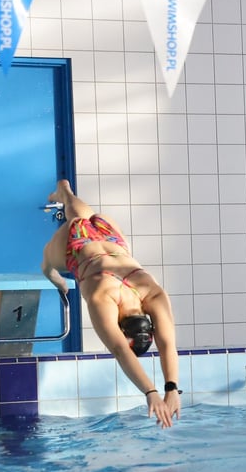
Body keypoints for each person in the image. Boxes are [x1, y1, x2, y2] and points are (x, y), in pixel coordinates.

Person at [41, 180, 182, 427]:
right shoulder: (101, 297)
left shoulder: (152, 293)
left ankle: (67, 194)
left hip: (113, 239)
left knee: (83, 215)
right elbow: (120, 349)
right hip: (75, 247)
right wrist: (151, 392)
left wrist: (172, 388)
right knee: (48, 266)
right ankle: (56, 276)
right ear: (119, 325)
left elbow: (168, 342)